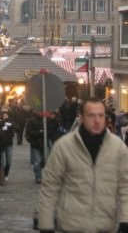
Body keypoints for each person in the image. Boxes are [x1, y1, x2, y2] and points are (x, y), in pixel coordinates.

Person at [38, 98, 128, 233]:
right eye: (91, 115)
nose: (97, 120)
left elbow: (125, 186)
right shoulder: (64, 146)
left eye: (101, 115)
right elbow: (50, 187)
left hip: (106, 225)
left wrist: (125, 220)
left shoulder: (118, 147)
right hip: (72, 225)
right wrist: (45, 224)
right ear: (81, 118)